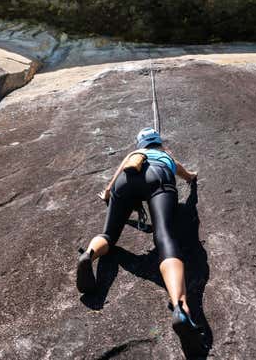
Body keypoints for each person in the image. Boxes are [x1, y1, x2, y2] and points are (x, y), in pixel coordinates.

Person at [77, 127, 203, 345]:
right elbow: (187, 175)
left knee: (108, 234)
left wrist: (107, 193)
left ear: (140, 145)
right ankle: (180, 307)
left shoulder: (133, 155)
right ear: (159, 142)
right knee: (164, 237)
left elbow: (116, 176)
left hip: (125, 181)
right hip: (158, 175)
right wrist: (192, 178)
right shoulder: (164, 155)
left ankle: (89, 254)